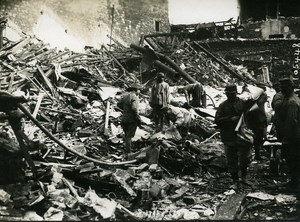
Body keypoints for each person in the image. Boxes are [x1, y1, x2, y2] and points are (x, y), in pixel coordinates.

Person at [215, 84, 263, 189]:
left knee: (245, 159)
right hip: (229, 137)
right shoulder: (223, 106)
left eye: (232, 93)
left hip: (243, 136)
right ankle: (235, 180)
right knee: (231, 160)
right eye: (228, 93)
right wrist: (230, 119)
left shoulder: (243, 104)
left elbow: (253, 116)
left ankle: (244, 177)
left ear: (236, 92)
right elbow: (217, 120)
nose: (230, 95)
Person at [278, 77, 300, 191]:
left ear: (291, 87)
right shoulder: (290, 99)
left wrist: (285, 138)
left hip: (293, 137)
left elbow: (291, 122)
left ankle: (295, 184)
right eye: (281, 87)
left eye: (284, 87)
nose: (282, 90)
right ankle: (294, 182)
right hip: (293, 136)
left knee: (293, 160)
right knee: (292, 160)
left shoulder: (292, 102)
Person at [117, 83, 142, 156]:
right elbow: (134, 108)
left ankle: (128, 148)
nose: (139, 92)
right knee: (129, 136)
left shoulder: (125, 96)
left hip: (124, 118)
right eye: (139, 90)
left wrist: (125, 109)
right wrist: (137, 116)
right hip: (131, 119)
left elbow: (118, 104)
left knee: (126, 135)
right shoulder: (134, 96)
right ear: (136, 90)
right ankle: (129, 152)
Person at [247, 86, 268, 160]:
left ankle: (257, 154)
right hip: (257, 120)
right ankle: (256, 154)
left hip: (256, 120)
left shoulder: (260, 97)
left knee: (257, 138)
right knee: (256, 138)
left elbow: (258, 105)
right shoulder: (261, 96)